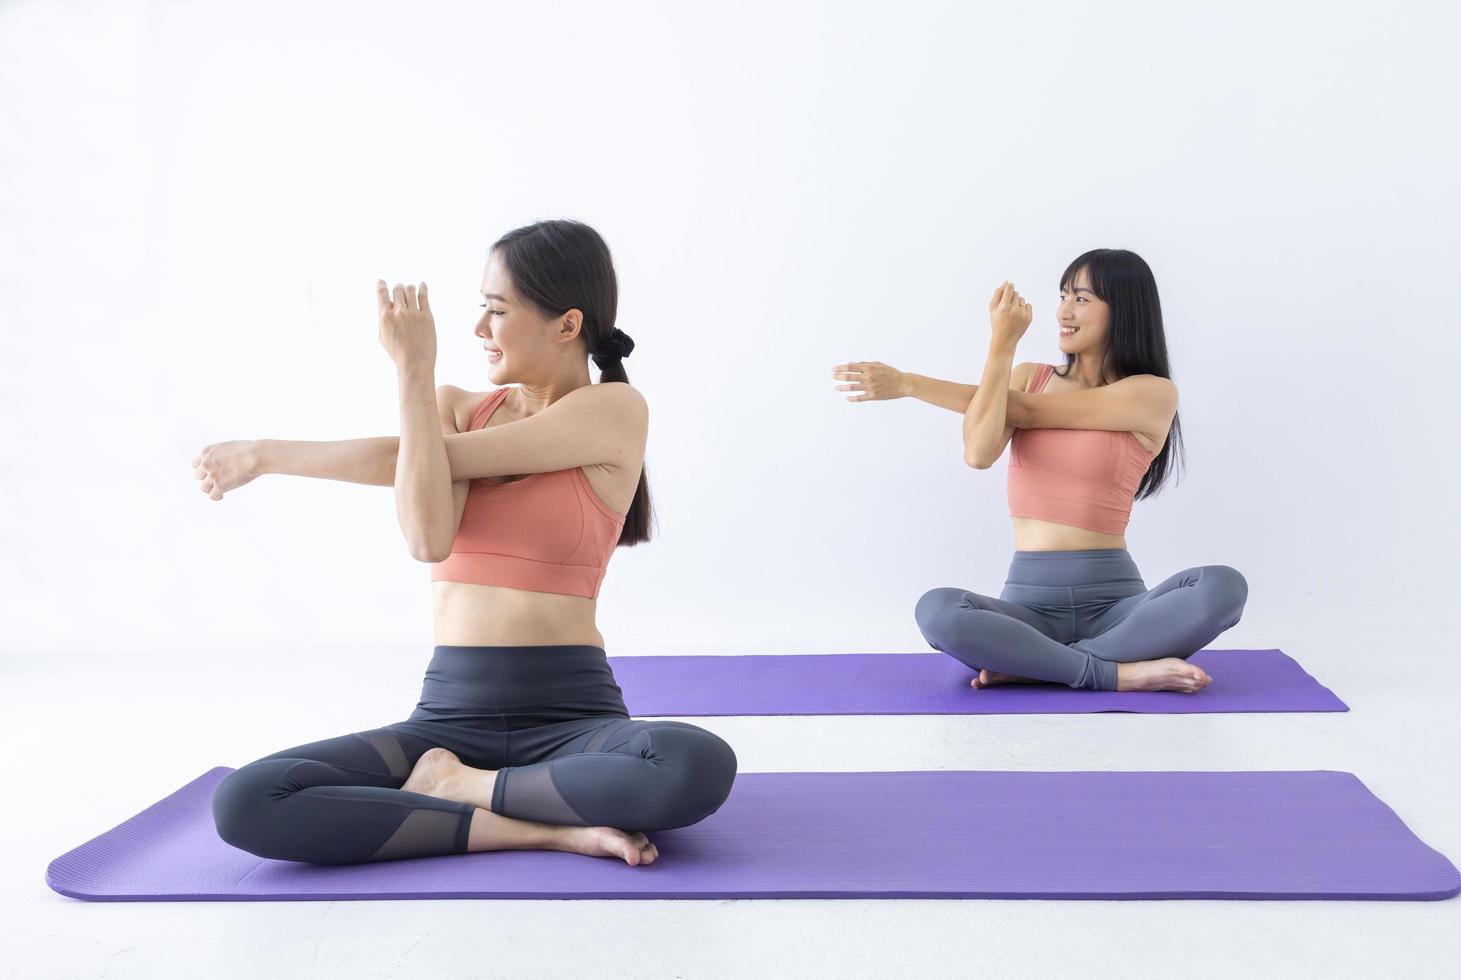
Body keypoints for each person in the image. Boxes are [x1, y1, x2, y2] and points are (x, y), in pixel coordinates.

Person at [195, 219, 737, 866]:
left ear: (567, 325)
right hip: (446, 721)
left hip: (573, 719)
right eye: (480, 307)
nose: (479, 328)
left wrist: (272, 450)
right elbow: (426, 538)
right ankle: (538, 827)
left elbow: (420, 459)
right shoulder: (453, 410)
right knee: (249, 800)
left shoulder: (615, 410)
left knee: (692, 764)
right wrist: (412, 381)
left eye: (496, 309)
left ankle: (466, 790)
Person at [832, 249, 1247, 693]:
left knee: (1223, 586)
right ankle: (1115, 671)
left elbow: (1028, 412)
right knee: (935, 610)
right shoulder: (1029, 376)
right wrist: (1002, 347)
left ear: (1123, 310)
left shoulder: (1152, 393)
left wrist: (908, 383)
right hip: (1027, 610)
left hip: (1117, 608)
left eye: (1082, 299)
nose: (1064, 311)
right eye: (1063, 295)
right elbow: (978, 452)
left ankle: (1041, 666)